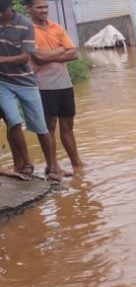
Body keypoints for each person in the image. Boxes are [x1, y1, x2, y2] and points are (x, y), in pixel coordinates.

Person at [0, 0, 63, 182]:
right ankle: (27, 164)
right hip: (3, 82)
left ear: (10, 8)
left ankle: (51, 166)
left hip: (26, 82)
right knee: (13, 121)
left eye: (1, 12)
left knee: (40, 126)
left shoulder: (25, 25)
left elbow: (25, 57)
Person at [25, 0, 84, 171]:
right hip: (42, 85)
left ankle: (76, 162)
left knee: (68, 126)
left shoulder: (57, 27)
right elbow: (38, 58)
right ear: (30, 9)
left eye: (46, 7)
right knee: (48, 126)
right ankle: (54, 166)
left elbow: (73, 53)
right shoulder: (28, 31)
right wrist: (60, 50)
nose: (44, 11)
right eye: (39, 7)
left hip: (64, 83)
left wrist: (50, 55)